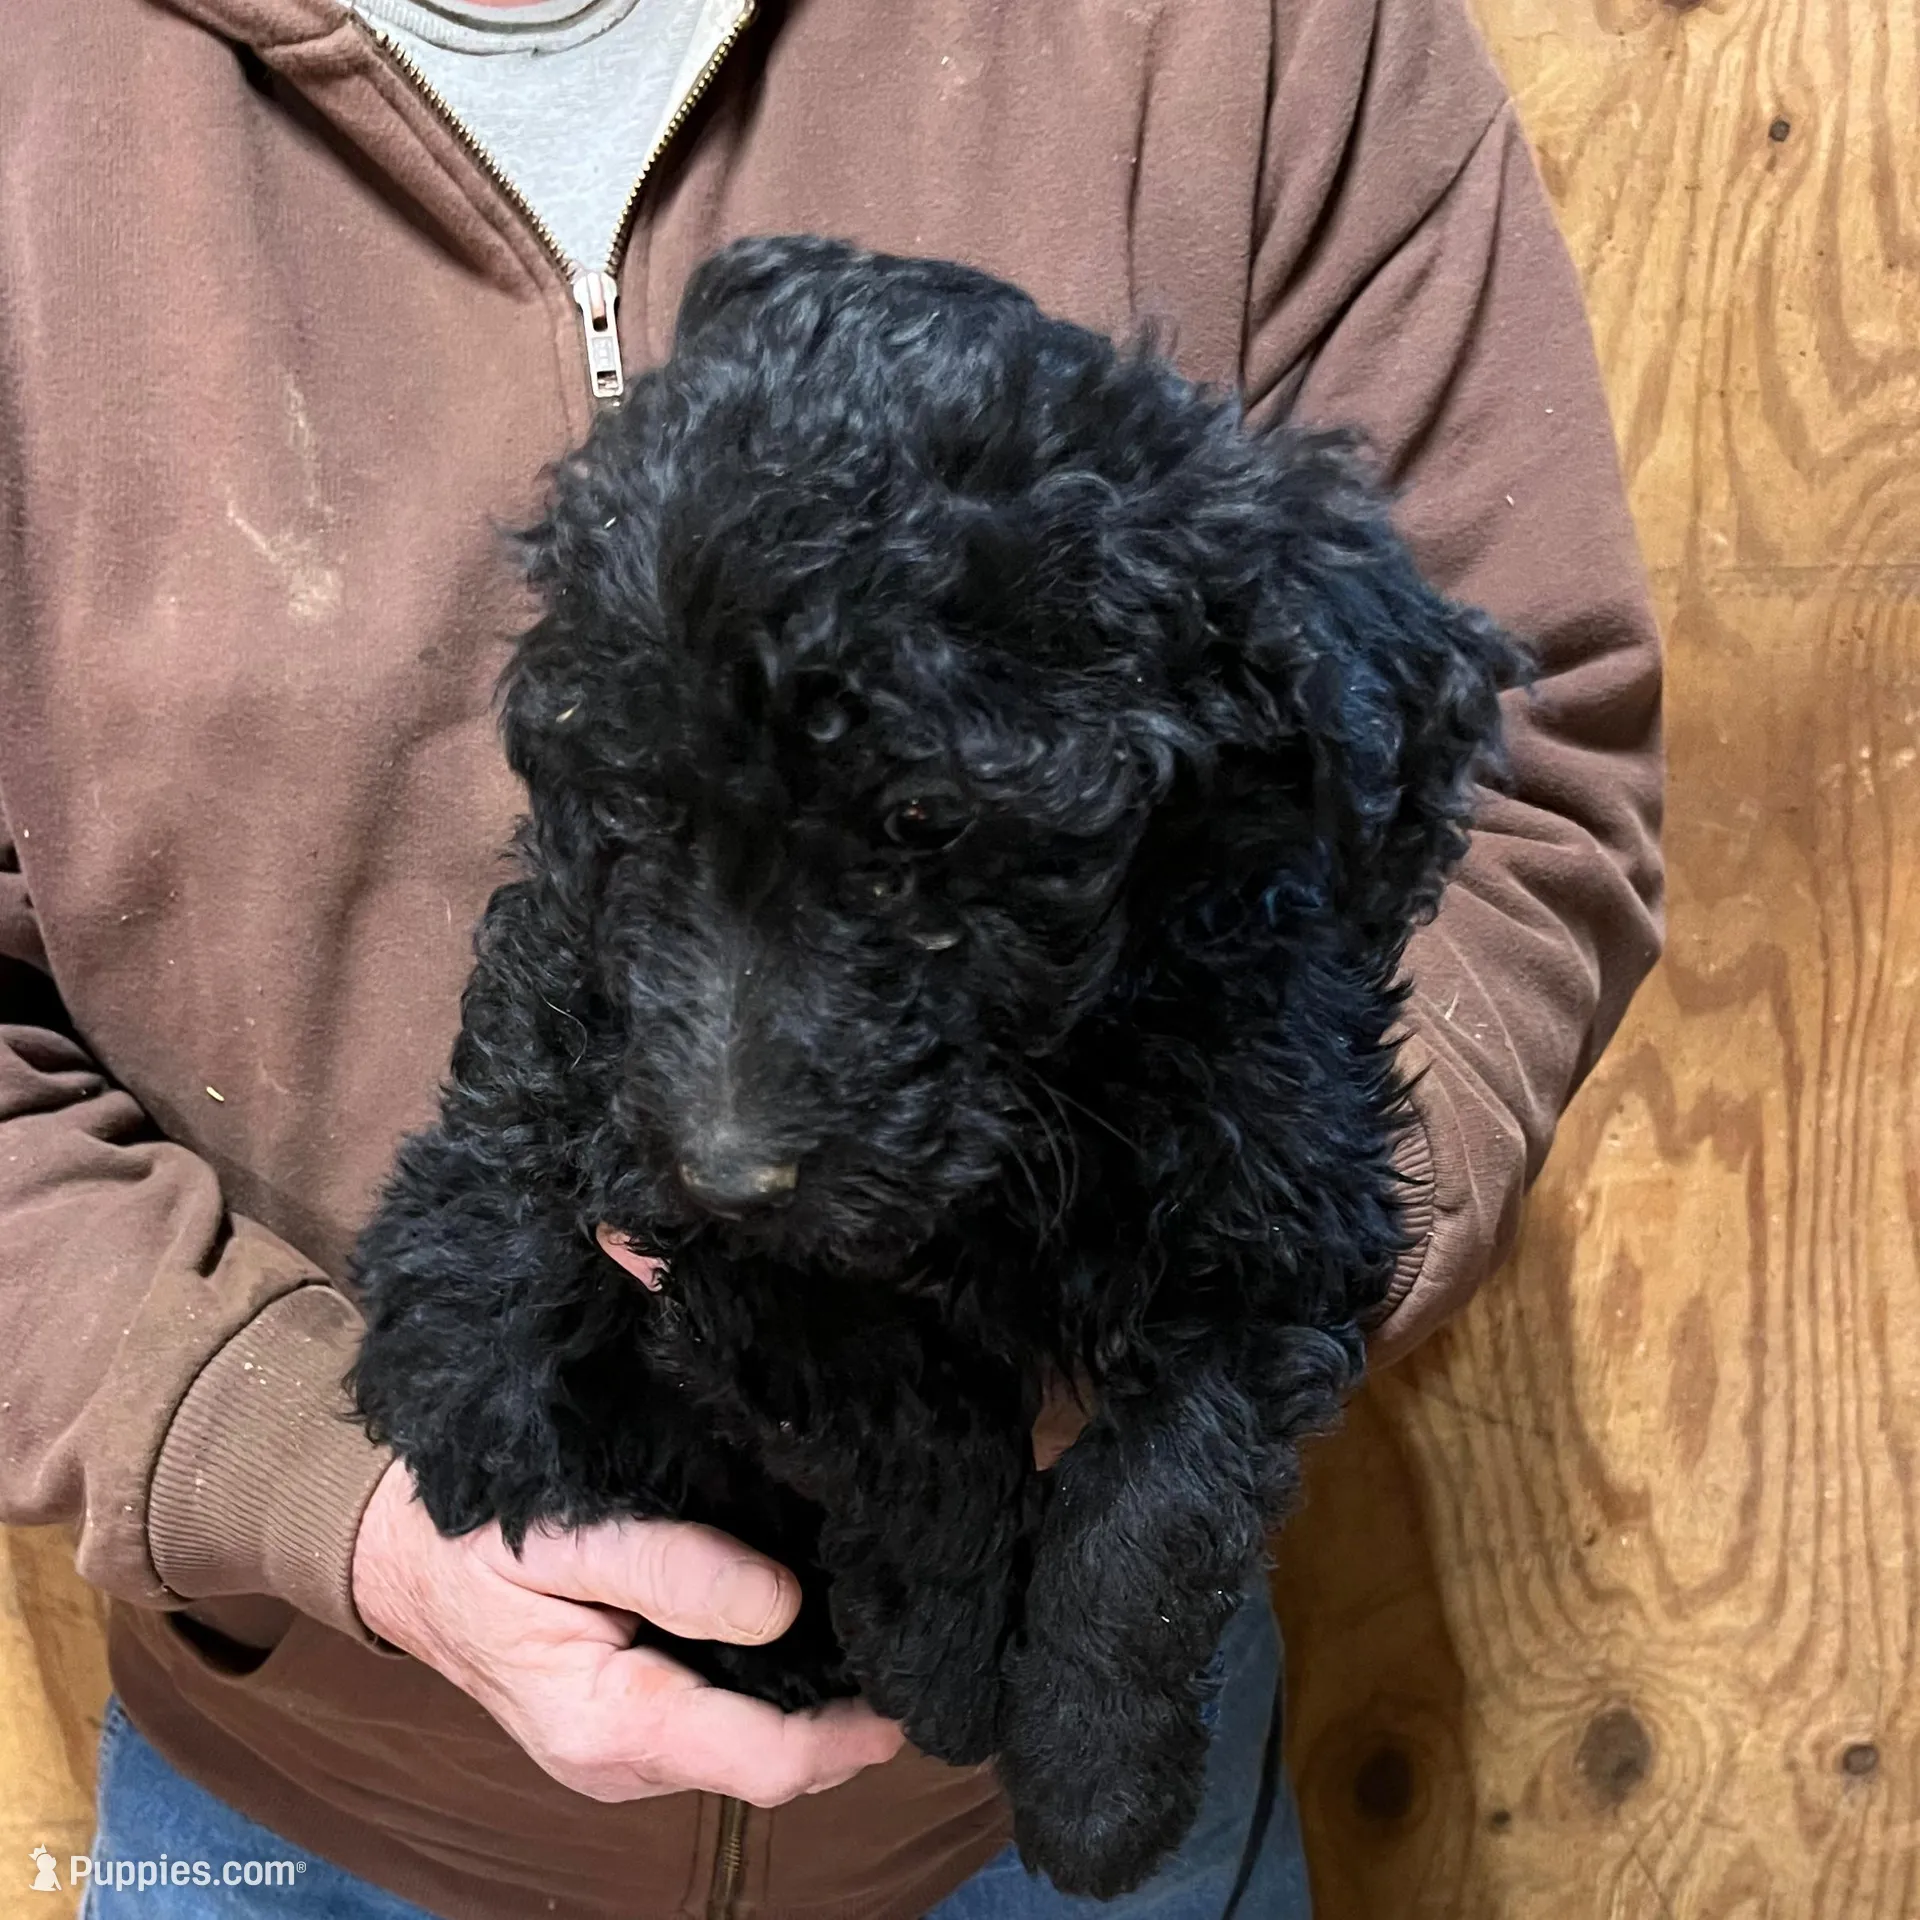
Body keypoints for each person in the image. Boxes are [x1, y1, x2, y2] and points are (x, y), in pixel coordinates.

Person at [0, 0, 1662, 1914]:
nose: (731, 1124)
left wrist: (1208, 1307)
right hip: (327, 1783)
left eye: (926, 834)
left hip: (1074, 1704)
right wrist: (298, 1480)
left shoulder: (1271, 36)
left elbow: (1503, 785)